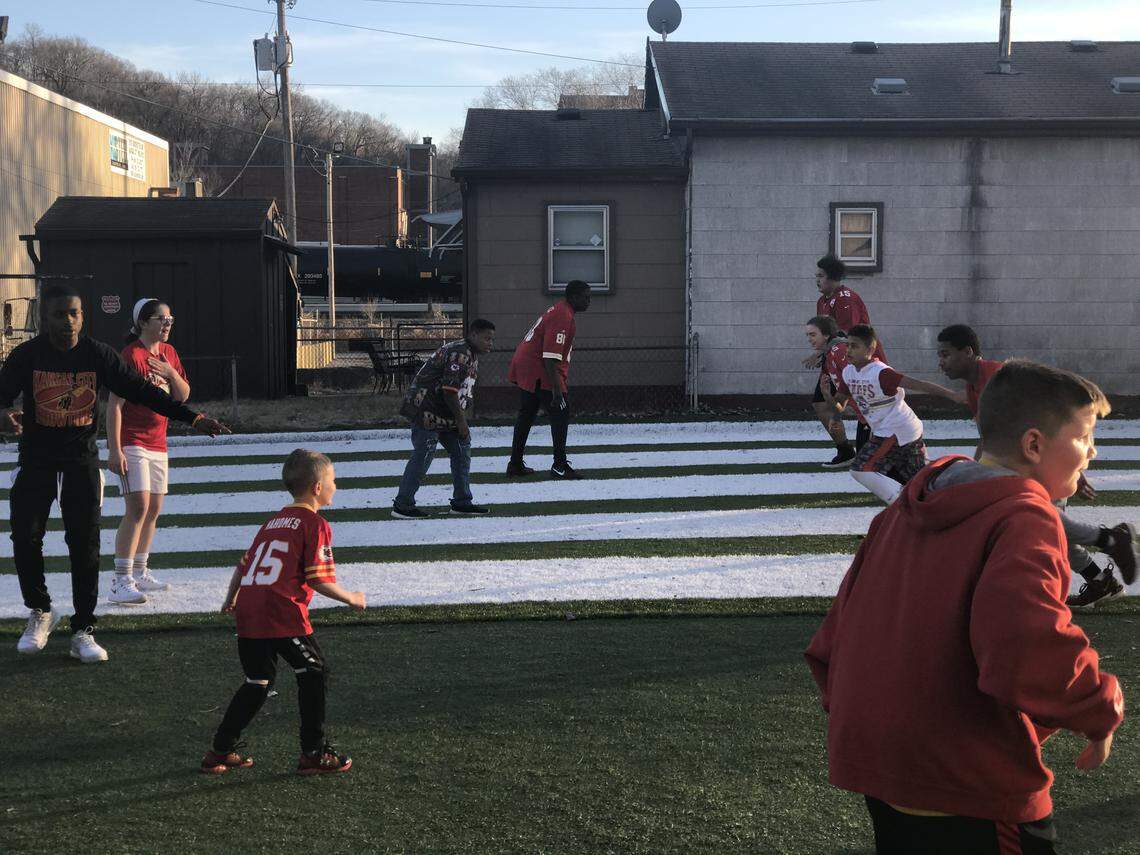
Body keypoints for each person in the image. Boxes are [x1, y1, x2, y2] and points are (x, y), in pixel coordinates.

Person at [806, 360, 1124, 854]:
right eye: (1085, 437)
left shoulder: (903, 510)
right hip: (966, 777)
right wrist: (1097, 704)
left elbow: (839, 631)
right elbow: (1024, 644)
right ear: (1034, 444)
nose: (1093, 452)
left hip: (880, 762)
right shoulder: (1024, 517)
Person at [1, 285, 227, 663]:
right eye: (59, 314)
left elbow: (142, 390)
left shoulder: (97, 355)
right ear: (45, 319)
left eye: (74, 313)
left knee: (84, 546)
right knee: (25, 538)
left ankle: (83, 629)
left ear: (83, 316)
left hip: (80, 462)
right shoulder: (27, 356)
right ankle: (40, 610)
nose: (68, 321)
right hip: (36, 459)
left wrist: (194, 417)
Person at [937, 324, 1137, 609]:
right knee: (1049, 526)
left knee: (1045, 525)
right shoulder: (974, 386)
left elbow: (1051, 420)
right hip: (1029, 462)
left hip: (1043, 460)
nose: (940, 362)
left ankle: (1108, 545)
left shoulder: (999, 378)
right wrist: (979, 471)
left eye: (945, 354)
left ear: (967, 352)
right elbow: (991, 437)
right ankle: (1102, 573)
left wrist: (1071, 470)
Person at [202, 449, 365, 776]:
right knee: (314, 671)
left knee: (257, 681)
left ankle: (219, 750)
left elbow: (243, 565)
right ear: (318, 487)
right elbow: (317, 579)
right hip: (280, 610)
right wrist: (351, 598)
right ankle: (313, 752)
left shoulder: (273, 521)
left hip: (249, 611)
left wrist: (230, 599)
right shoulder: (314, 523)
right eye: (333, 480)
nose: (336, 485)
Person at [105, 298, 190, 605]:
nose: (167, 324)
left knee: (153, 510)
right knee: (137, 508)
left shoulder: (168, 354)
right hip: (133, 440)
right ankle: (120, 580)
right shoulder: (131, 355)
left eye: (170, 319)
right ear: (143, 322)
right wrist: (115, 449)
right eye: (160, 319)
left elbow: (182, 395)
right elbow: (114, 405)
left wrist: (170, 372)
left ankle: (140, 571)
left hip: (159, 441)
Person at [829, 324, 960, 504]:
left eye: (855, 346)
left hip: (895, 429)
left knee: (860, 469)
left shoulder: (881, 373)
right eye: (848, 345)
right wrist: (835, 416)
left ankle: (903, 506)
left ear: (870, 349)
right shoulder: (848, 371)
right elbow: (841, 400)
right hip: (906, 430)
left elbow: (919, 384)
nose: (849, 350)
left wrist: (952, 395)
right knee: (921, 483)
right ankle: (954, 498)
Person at [392, 319, 496, 519]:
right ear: (473, 335)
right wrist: (462, 421)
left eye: (492, 339)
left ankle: (462, 502)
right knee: (424, 454)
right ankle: (402, 505)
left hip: (440, 412)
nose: (490, 343)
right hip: (426, 410)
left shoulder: (468, 352)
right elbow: (449, 391)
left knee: (461, 449)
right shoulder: (461, 354)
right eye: (487, 338)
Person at [804, 256, 885, 466]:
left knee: (862, 402)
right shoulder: (822, 301)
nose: (817, 280)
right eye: (817, 275)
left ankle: (877, 450)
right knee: (822, 403)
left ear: (833, 278)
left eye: (820, 276)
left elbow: (848, 337)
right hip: (834, 359)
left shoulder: (845, 299)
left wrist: (819, 353)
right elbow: (827, 335)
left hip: (856, 361)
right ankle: (846, 450)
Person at [506, 279, 590, 480]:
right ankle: (559, 465)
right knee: (560, 411)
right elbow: (550, 357)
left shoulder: (560, 310)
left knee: (527, 413)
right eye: (586, 297)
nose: (589, 301)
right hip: (538, 367)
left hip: (527, 364)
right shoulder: (563, 315)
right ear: (573, 297)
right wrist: (556, 389)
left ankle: (515, 463)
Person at [804, 315, 869, 467]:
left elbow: (860, 376)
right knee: (864, 466)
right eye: (807, 335)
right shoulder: (830, 353)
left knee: (869, 467)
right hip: (865, 415)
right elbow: (844, 391)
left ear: (826, 334)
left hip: (875, 414)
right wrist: (835, 412)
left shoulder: (839, 351)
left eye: (812, 335)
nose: (809, 339)